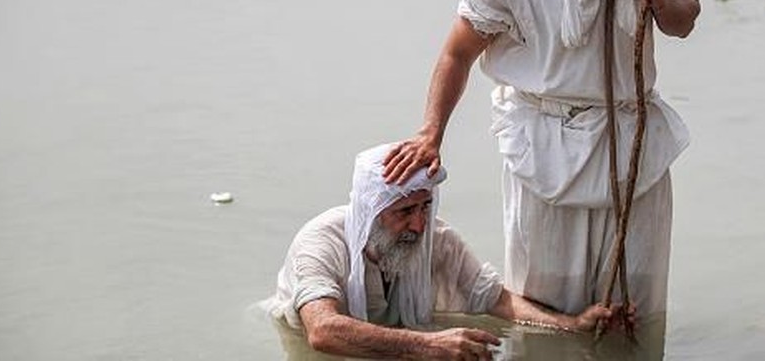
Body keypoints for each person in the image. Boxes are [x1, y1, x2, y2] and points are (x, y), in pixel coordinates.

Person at [383, 0, 700, 320]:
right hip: (545, 148)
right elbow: (456, 54)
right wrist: (431, 133)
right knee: (547, 305)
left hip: (635, 138)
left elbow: (684, 20)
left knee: (636, 304)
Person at [259, 143, 626, 360]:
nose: (419, 226)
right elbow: (322, 331)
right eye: (404, 211)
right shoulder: (320, 240)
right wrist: (427, 346)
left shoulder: (434, 238)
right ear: (370, 211)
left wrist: (571, 326)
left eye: (424, 209)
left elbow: (496, 300)